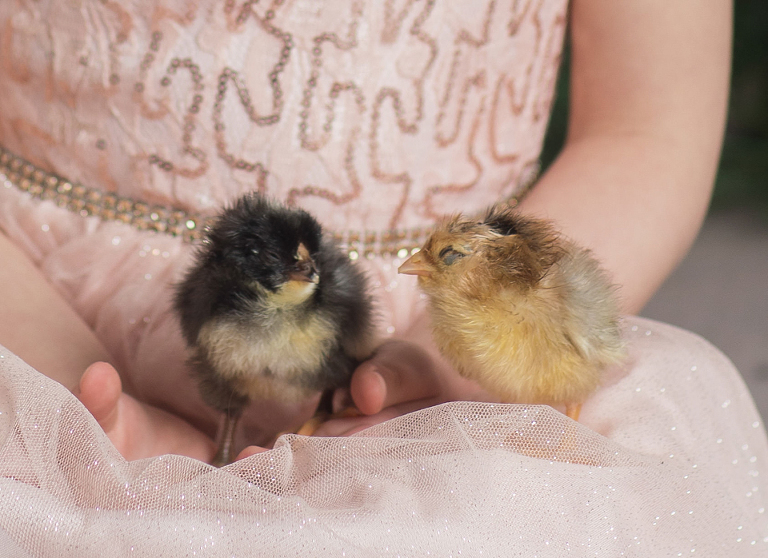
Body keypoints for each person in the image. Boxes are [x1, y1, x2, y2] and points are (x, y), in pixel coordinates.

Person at [2, 0, 765, 554]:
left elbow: (646, 129)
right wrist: (59, 378)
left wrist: (449, 357)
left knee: (508, 519)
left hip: (435, 340)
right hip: (32, 304)